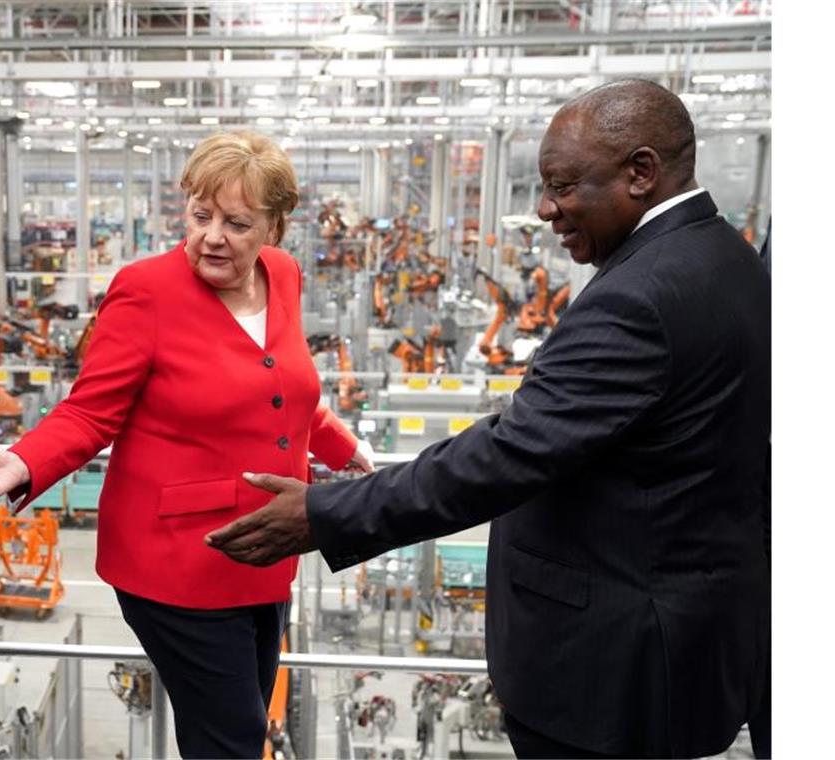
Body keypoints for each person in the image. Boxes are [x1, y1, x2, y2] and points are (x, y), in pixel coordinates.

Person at [207, 80, 771, 759]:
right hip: (677, 640)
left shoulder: (643, 298)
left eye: (563, 186)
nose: (545, 209)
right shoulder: (730, 260)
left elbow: (509, 454)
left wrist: (326, 513)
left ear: (641, 173)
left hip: (611, 676)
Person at [0, 131, 372, 759]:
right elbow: (91, 412)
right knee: (230, 740)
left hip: (267, 549)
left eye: (236, 222)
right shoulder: (146, 290)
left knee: (241, 731)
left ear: (274, 229)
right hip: (178, 561)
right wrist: (25, 459)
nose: (212, 236)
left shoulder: (283, 276)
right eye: (201, 215)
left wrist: (336, 444)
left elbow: (279, 381)